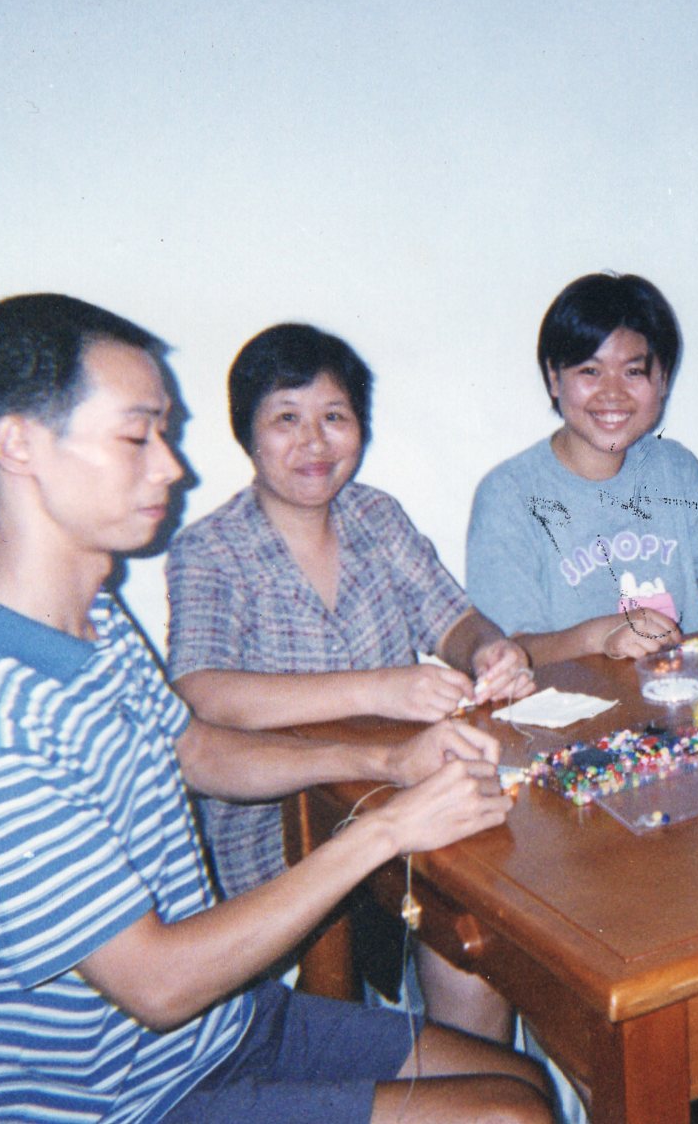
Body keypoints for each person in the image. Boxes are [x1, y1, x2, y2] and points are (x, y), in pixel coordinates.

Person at [0, 294, 551, 1122]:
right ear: (19, 445)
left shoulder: (87, 615)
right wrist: (386, 828)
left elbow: (195, 748)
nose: (172, 467)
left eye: (164, 433)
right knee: (506, 1116)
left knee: (521, 1081)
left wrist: (385, 760)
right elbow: (157, 985)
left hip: (216, 1028)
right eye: (136, 436)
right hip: (108, 1098)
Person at [165, 323, 534, 1044]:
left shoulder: (376, 515)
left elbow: (453, 618)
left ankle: (471, 1078)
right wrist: (376, 688)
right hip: (277, 837)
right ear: (247, 434)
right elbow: (201, 693)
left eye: (334, 416)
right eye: (286, 419)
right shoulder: (210, 549)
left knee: (482, 931)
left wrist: (489, 650)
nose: (314, 442)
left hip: (406, 793)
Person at [466, 273, 698, 664]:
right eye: (590, 371)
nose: (612, 393)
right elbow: (509, 651)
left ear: (662, 380)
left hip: (679, 694)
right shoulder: (509, 493)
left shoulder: (675, 468)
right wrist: (600, 636)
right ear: (553, 378)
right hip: (566, 702)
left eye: (633, 372)